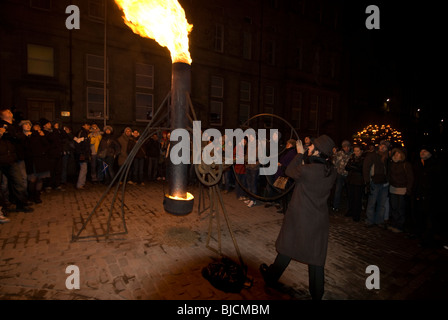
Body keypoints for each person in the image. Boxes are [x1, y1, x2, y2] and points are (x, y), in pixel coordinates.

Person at [259, 135, 337, 300]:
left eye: (311, 147)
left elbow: (288, 171)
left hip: (300, 216)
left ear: (317, 151)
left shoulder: (306, 170)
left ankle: (271, 277)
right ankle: (317, 292)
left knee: (288, 247)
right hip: (318, 219)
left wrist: (300, 154)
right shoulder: (331, 171)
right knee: (315, 256)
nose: (309, 148)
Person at [0, 108, 33, 213]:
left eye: (10, 111)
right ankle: (4, 206)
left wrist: (9, 133)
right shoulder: (1, 125)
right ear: (2, 115)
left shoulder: (13, 128)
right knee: (3, 185)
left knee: (18, 182)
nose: (10, 113)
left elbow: (20, 137)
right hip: (1, 159)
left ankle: (21, 204)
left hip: (12, 159)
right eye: (7, 112)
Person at [410, 145, 442, 247]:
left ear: (430, 153)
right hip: (418, 194)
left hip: (430, 197)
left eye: (425, 151)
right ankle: (419, 234)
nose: (422, 153)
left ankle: (428, 239)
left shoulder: (435, 165)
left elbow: (439, 182)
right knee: (419, 217)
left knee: (430, 219)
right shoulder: (418, 164)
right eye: (421, 151)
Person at [362, 140, 390, 228]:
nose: (382, 147)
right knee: (372, 202)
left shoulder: (387, 158)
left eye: (385, 146)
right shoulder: (372, 156)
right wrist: (367, 181)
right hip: (374, 182)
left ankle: (379, 220)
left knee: (381, 204)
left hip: (384, 183)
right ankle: (369, 220)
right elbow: (366, 168)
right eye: (381, 145)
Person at [266, 139, 297, 213]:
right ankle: (280, 204)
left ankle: (283, 207)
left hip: (284, 174)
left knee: (282, 191)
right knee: (278, 189)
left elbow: (289, 163)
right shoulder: (287, 151)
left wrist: (281, 164)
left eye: (288, 143)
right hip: (281, 172)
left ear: (291, 144)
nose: (286, 144)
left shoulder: (292, 153)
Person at [387, 148, 413, 233]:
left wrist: (408, 189)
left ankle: (400, 226)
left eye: (398, 154)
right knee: (394, 207)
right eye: (395, 154)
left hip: (402, 189)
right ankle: (394, 223)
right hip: (393, 188)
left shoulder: (406, 165)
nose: (396, 155)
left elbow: (410, 178)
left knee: (400, 208)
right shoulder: (392, 164)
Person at [24, 122, 51, 204]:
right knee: (32, 179)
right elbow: (29, 147)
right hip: (32, 160)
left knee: (40, 179)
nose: (37, 128)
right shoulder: (30, 136)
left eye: (38, 126)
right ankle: (31, 196)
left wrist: (42, 137)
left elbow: (47, 145)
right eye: (36, 126)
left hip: (41, 159)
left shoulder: (41, 136)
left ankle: (37, 195)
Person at [40, 118, 64, 190]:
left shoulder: (53, 131)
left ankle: (57, 184)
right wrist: (56, 130)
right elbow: (52, 138)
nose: (50, 125)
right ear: (44, 126)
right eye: (47, 124)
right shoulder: (44, 132)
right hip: (50, 155)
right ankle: (48, 185)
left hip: (57, 154)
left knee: (58, 170)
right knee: (51, 170)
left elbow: (61, 138)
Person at [345, 144, 365, 222]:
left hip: (358, 181)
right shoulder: (352, 158)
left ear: (361, 151)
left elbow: (360, 168)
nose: (356, 152)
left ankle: (356, 214)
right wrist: (353, 166)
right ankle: (350, 211)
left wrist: (353, 167)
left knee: (357, 198)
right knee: (350, 197)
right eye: (355, 151)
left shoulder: (363, 158)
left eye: (357, 151)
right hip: (350, 179)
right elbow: (347, 167)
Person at [331, 140, 352, 212]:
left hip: (348, 175)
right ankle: (335, 206)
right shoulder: (339, 154)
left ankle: (349, 207)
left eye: (348, 146)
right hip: (340, 174)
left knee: (349, 192)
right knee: (338, 191)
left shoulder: (351, 154)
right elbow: (334, 163)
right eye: (345, 147)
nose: (347, 148)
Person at [74, 122, 91, 189]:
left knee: (84, 169)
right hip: (82, 153)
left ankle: (82, 183)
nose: (88, 126)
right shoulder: (81, 133)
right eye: (87, 125)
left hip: (85, 153)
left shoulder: (86, 133)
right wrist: (81, 152)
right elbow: (78, 143)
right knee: (83, 168)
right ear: (83, 126)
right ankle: (80, 184)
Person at [245, 132, 259, 208]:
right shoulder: (249, 145)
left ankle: (253, 200)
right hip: (248, 166)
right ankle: (250, 198)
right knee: (249, 183)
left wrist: (255, 164)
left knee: (253, 184)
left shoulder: (259, 145)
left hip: (254, 168)